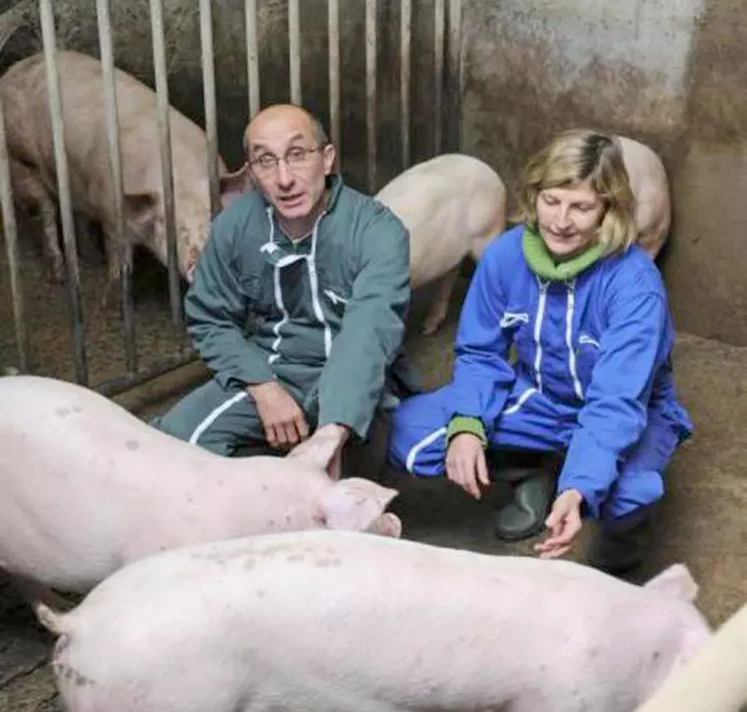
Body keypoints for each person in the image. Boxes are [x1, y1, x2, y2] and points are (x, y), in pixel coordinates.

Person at [388, 128, 693, 577]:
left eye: (582, 207)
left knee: (631, 493)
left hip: (628, 409)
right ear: (534, 194)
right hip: (541, 397)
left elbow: (616, 400)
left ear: (609, 208)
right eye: (552, 200)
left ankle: (619, 548)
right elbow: (480, 352)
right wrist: (469, 423)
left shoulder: (635, 285)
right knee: (402, 430)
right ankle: (527, 470)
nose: (561, 221)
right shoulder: (506, 256)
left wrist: (580, 486)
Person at [152, 103, 416, 477]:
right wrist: (264, 388)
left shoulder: (377, 231)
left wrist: (331, 431)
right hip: (271, 369)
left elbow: (367, 334)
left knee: (341, 499)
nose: (284, 178)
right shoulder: (235, 226)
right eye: (265, 161)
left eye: (297, 155)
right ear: (251, 174)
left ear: (327, 159)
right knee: (175, 448)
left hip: (354, 378)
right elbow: (210, 318)